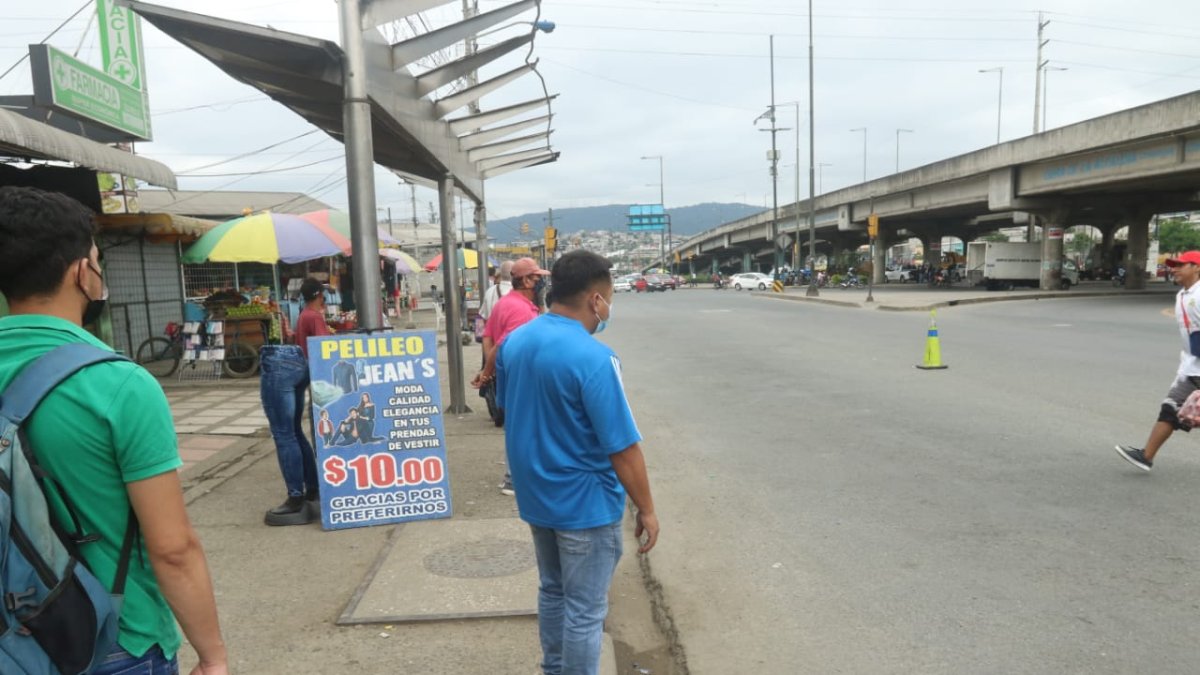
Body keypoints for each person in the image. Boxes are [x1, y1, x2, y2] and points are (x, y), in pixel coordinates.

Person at [0, 186, 228, 675]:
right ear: (83, 272)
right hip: (111, 638)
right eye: (97, 260)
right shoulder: (118, 385)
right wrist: (213, 656)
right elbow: (172, 549)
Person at [496, 249, 658, 675]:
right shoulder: (595, 359)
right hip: (583, 504)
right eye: (609, 297)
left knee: (553, 591)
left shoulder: (515, 342)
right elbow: (622, 447)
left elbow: (507, 408)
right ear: (595, 300)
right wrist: (647, 508)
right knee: (586, 610)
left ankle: (555, 669)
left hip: (537, 496)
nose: (609, 307)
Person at [472, 257, 550, 495]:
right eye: (538, 279)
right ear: (525, 280)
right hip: (523, 378)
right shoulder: (521, 310)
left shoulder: (508, 303)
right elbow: (503, 343)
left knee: (517, 427)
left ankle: (514, 478)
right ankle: (513, 480)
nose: (541, 284)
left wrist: (491, 369)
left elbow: (488, 335)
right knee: (525, 429)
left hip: (512, 377)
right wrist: (487, 373)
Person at [1116, 251, 1200, 471]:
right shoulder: (1183, 294)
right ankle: (1146, 456)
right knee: (1171, 408)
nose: (1174, 269)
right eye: (1173, 265)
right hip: (1191, 366)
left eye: (1181, 265)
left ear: (1196, 267)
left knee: (1176, 409)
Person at [260, 277, 329, 526]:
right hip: (300, 372)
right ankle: (310, 488)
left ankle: (296, 497)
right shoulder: (314, 316)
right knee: (293, 433)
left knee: (285, 434)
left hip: (289, 370)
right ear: (319, 295)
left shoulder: (305, 315)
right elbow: (323, 349)